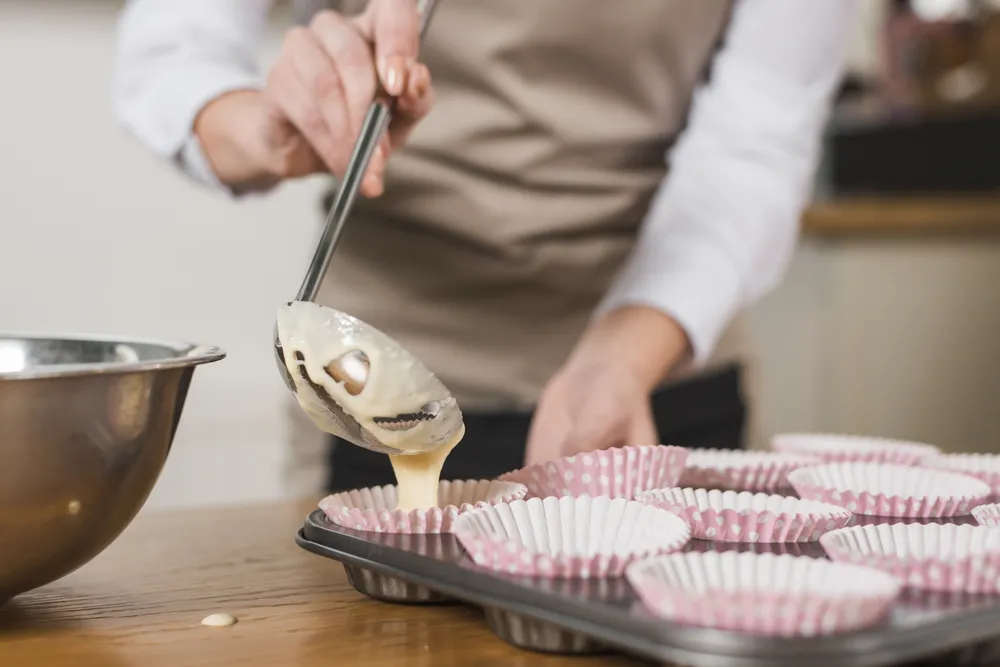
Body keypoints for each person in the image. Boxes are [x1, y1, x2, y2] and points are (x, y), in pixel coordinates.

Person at [113, 0, 857, 493]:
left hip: (662, 368)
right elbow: (175, 51)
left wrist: (624, 352)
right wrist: (271, 128)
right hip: (379, 387)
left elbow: (755, 143)